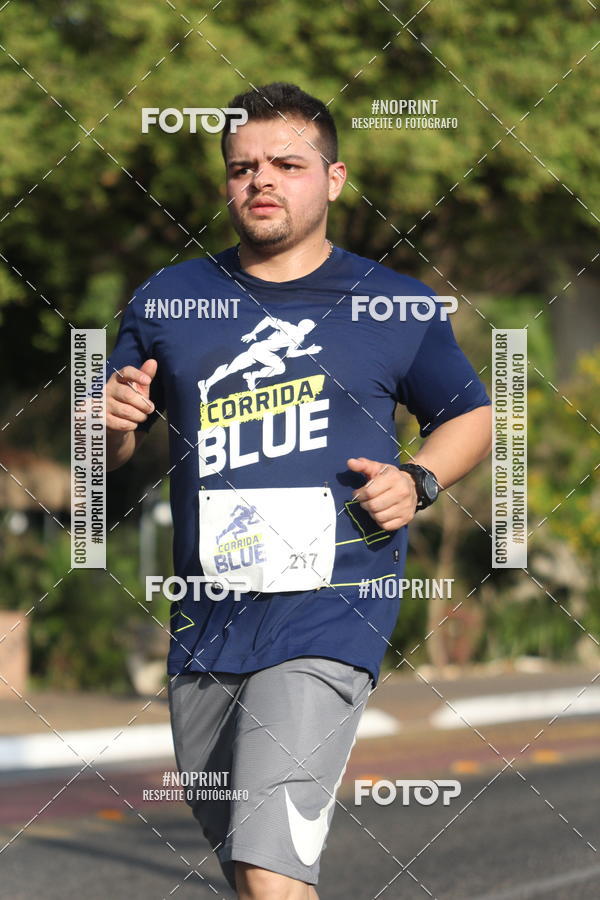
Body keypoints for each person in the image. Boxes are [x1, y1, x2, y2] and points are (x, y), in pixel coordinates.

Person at [104, 82, 492, 900]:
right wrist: (103, 423)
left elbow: (473, 417)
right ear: (225, 185)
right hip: (207, 616)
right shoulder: (167, 300)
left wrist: (418, 480)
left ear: (336, 178)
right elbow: (103, 446)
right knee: (255, 868)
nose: (263, 181)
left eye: (288, 163)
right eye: (244, 167)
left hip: (332, 608)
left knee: (268, 862)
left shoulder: (395, 303)